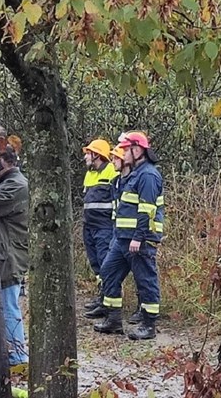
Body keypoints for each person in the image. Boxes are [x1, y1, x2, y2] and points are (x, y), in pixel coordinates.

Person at [94, 131, 165, 340]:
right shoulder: (134, 174)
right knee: (107, 272)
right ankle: (114, 319)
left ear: (137, 150)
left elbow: (147, 210)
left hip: (139, 240)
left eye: (126, 150)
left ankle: (149, 324)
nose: (122, 154)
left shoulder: (148, 175)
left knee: (145, 280)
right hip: (122, 238)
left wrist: (139, 237)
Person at [0, 150, 30, 369]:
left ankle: (18, 355)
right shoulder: (8, 182)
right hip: (5, 253)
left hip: (10, 255)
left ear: (4, 163)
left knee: (9, 305)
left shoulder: (16, 185)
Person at [81, 139, 119, 315]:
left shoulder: (111, 171)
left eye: (88, 153)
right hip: (89, 226)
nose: (86, 156)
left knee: (105, 264)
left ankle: (108, 301)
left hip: (104, 227)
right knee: (96, 265)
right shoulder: (89, 174)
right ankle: (102, 296)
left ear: (97, 155)